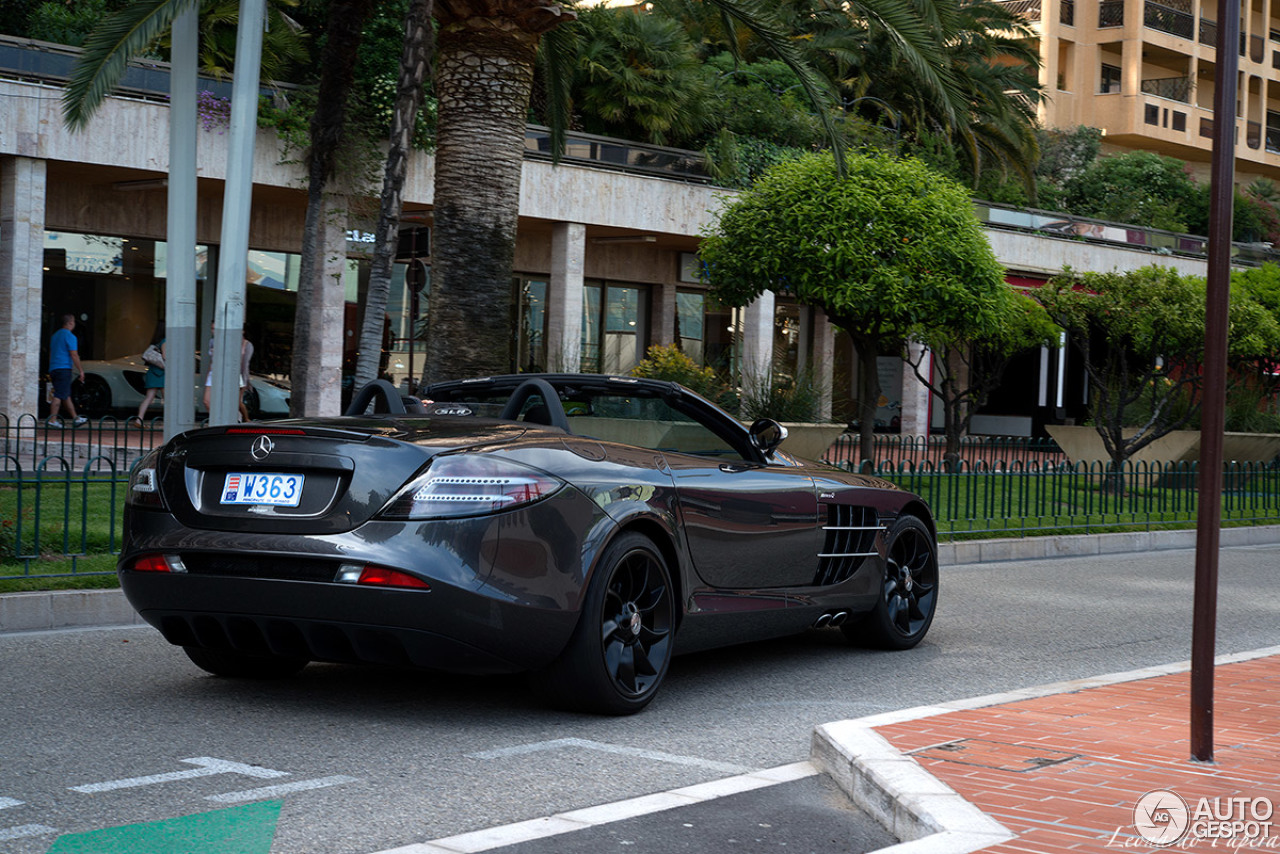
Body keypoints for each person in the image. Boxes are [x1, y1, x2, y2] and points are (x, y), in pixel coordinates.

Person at [203, 325, 254, 422]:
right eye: (212, 328)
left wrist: (245, 380)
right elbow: (212, 360)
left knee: (236, 402)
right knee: (207, 401)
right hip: (214, 373)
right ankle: (216, 420)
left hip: (233, 374)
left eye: (215, 328)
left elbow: (244, 364)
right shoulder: (213, 341)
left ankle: (246, 419)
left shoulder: (243, 344)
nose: (213, 331)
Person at [47, 313, 88, 428]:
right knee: (59, 394)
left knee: (65, 394)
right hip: (64, 368)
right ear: (70, 323)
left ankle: (75, 418)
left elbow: (51, 353)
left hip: (54, 368)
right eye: (74, 322)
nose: (74, 324)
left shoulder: (55, 336)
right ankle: (53, 419)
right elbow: (74, 354)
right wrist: (81, 370)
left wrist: (51, 367)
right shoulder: (70, 336)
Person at [132, 322, 166, 425]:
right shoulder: (165, 341)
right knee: (168, 399)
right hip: (162, 374)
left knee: (149, 398)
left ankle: (139, 419)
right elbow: (165, 357)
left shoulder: (155, 342)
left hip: (153, 372)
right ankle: (170, 421)